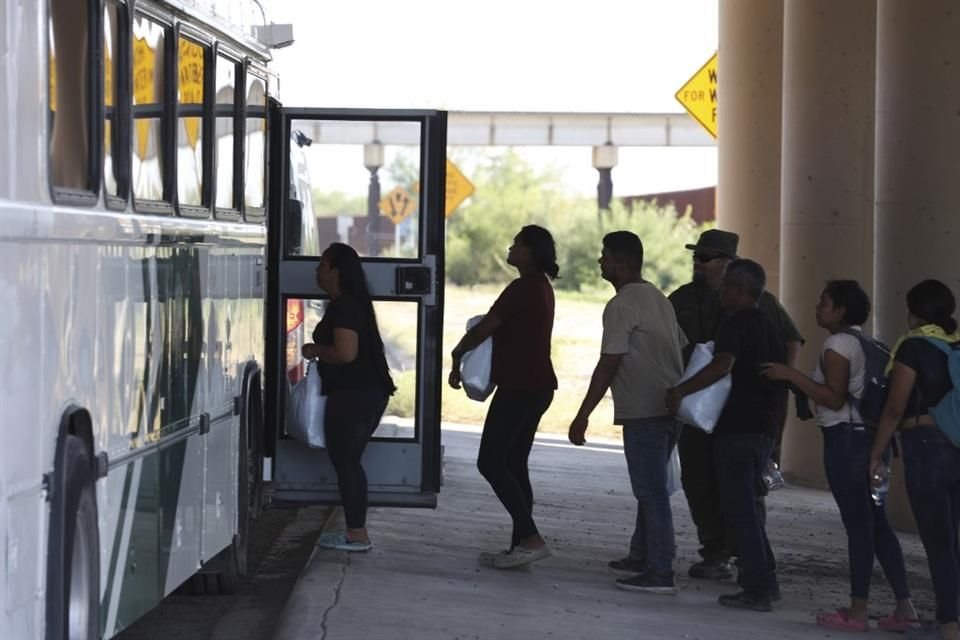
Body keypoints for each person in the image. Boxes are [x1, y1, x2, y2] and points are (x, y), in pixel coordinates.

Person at [760, 280, 917, 632]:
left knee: (858, 527)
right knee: (877, 525)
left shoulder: (839, 343)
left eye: (824, 302)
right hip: (872, 439)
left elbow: (833, 398)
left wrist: (790, 375)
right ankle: (904, 606)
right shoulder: (872, 343)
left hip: (846, 442)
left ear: (841, 310)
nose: (818, 307)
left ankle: (858, 610)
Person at [668, 229, 803, 580]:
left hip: (740, 411)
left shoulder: (760, 303)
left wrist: (781, 384)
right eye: (695, 257)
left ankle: (751, 562)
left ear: (729, 265)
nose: (697, 264)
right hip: (699, 409)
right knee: (698, 480)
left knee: (744, 492)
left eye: (706, 258)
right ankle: (716, 552)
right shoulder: (682, 299)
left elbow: (790, 343)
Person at [568, 231, 686, 595]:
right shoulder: (658, 298)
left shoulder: (622, 305)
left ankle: (660, 570)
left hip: (645, 412)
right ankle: (641, 555)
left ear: (621, 262)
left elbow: (609, 361)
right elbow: (683, 345)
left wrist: (583, 413)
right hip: (668, 409)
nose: (600, 262)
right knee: (651, 487)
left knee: (651, 492)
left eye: (604, 256)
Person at [449, 225, 559, 569]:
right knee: (513, 463)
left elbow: (486, 327)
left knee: (491, 461)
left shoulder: (522, 288)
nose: (510, 249)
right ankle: (521, 545)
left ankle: (530, 537)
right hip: (536, 386)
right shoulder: (541, 287)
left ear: (530, 252)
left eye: (517, 245)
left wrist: (456, 353)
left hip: (521, 387)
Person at [869, 279, 960, 640]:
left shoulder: (914, 347)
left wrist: (876, 453)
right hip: (956, 446)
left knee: (937, 540)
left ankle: (950, 624)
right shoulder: (954, 345)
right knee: (952, 539)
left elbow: (894, 406)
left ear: (914, 311)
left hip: (925, 444)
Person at [302, 243, 396, 552]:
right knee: (347, 460)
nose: (317, 271)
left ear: (335, 270)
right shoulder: (348, 304)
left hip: (356, 394)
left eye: (321, 265)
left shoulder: (346, 307)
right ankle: (356, 531)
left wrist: (314, 350)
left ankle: (357, 534)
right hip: (363, 392)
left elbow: (345, 353)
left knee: (346, 461)